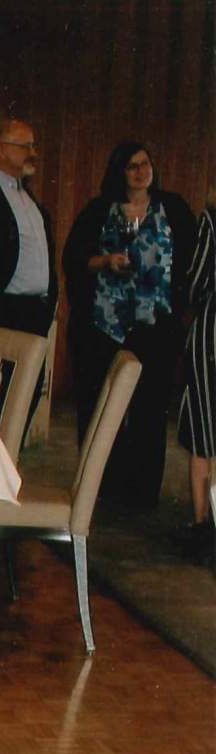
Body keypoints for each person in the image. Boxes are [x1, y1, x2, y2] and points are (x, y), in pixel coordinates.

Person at [63, 141, 196, 508]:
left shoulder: (174, 208)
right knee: (103, 405)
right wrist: (105, 262)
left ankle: (141, 493)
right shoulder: (99, 210)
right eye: (133, 166)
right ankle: (102, 486)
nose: (141, 171)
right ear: (119, 172)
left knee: (150, 409)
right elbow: (75, 259)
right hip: (106, 324)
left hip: (157, 325)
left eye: (146, 164)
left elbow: (191, 260)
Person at [0, 119, 57, 437]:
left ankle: (4, 471)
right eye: (25, 146)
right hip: (3, 315)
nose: (34, 153)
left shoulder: (26, 197)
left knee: (23, 400)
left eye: (33, 146)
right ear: (1, 150)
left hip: (35, 314)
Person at [178, 188, 216, 546]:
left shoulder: (210, 220)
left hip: (211, 336)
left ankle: (204, 521)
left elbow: (196, 281)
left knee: (204, 431)